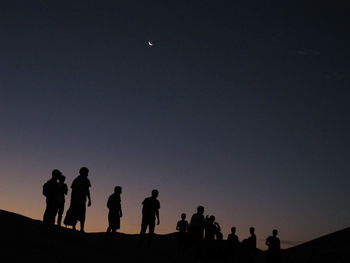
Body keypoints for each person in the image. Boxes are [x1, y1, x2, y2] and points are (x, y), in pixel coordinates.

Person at [68, 167, 92, 232]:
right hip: (76, 200)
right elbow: (73, 190)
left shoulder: (86, 180)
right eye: (86, 172)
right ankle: (74, 227)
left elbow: (87, 190)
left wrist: (89, 199)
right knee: (76, 213)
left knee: (82, 214)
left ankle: (81, 228)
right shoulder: (77, 180)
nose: (87, 174)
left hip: (82, 200)